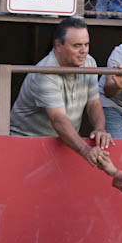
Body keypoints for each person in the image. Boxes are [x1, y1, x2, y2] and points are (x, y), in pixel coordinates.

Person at [10, 16, 112, 166]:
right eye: (77, 46)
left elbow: (94, 103)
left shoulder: (89, 62)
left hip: (64, 141)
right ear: (58, 45)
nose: (83, 51)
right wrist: (86, 150)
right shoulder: (45, 72)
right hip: (26, 141)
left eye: (86, 44)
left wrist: (100, 129)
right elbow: (58, 119)